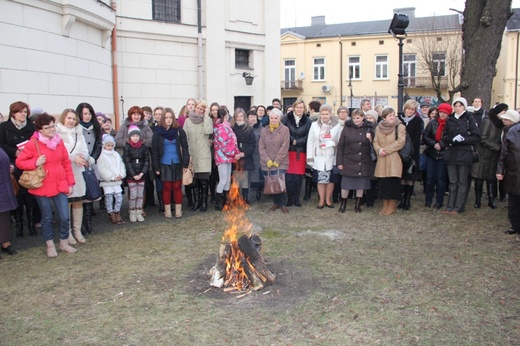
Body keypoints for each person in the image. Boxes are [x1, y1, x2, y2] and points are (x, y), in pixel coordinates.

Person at [16, 113, 77, 257]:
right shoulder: (33, 143)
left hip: (60, 184)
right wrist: (35, 163)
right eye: (47, 127)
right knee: (47, 217)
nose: (51, 129)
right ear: (40, 130)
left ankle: (63, 242)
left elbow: (66, 162)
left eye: (52, 126)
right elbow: (19, 162)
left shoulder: (59, 142)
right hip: (42, 185)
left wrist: (70, 182)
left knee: (64, 216)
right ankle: (49, 244)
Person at [0, 101, 39, 238]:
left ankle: (31, 225)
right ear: (13, 113)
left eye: (25, 112)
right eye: (20, 112)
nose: (23, 114)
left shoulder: (32, 127)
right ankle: (19, 226)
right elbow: (2, 145)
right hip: (12, 165)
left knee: (30, 196)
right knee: (17, 195)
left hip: (28, 166)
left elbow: (37, 145)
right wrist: (14, 152)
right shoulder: (4, 127)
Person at [441, 97, 481, 215]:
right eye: (456, 106)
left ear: (464, 106)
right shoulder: (450, 119)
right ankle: (449, 207)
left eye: (460, 106)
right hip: (451, 153)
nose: (458, 108)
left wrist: (464, 139)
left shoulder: (470, 118)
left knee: (462, 182)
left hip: (464, 154)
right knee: (452, 181)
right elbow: (445, 136)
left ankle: (458, 207)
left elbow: (476, 137)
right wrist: (451, 140)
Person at [55, 108, 89, 245]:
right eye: (69, 118)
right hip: (64, 170)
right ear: (64, 118)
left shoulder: (79, 133)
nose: (71, 121)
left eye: (74, 119)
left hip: (78, 170)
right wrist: (73, 157)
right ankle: (67, 232)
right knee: (67, 201)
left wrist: (82, 157)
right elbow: (57, 153)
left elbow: (85, 150)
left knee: (78, 201)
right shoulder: (57, 133)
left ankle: (77, 230)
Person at [151, 108, 189, 218]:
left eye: (170, 117)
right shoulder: (158, 133)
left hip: (177, 162)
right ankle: (167, 211)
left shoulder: (179, 131)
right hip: (164, 163)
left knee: (177, 187)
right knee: (166, 187)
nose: (168, 120)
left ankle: (178, 210)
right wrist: (156, 167)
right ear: (162, 119)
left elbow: (185, 148)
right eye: (166, 117)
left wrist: (185, 164)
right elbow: (154, 151)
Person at [336, 108, 374, 212]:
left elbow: (374, 145)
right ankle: (343, 204)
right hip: (348, 160)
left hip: (363, 160)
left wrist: (370, 139)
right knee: (346, 184)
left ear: (363, 118)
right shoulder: (347, 127)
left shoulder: (369, 128)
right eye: (353, 118)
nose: (355, 120)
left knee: (360, 184)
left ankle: (357, 205)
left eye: (358, 118)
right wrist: (339, 162)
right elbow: (340, 146)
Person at [470, 103, 507, 209]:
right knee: (479, 178)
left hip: (493, 154)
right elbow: (483, 138)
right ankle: (477, 201)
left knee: (491, 178)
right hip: (483, 153)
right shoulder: (488, 120)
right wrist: (498, 147)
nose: (504, 114)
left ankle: (491, 199)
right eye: (503, 111)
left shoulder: (500, 123)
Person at [307, 104, 342, 209]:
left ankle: (328, 199)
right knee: (321, 179)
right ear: (320, 114)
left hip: (332, 155)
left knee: (330, 179)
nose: (325, 116)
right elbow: (310, 141)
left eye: (327, 114)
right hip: (319, 156)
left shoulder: (337, 125)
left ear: (330, 114)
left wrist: (332, 143)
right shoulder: (314, 125)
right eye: (323, 114)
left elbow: (340, 140)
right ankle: (321, 200)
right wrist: (310, 158)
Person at [373, 107, 406, 216]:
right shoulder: (378, 127)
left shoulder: (400, 126)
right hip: (382, 158)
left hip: (394, 158)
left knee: (393, 182)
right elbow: (375, 141)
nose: (392, 117)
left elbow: (400, 142)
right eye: (389, 115)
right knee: (383, 183)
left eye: (393, 115)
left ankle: (392, 205)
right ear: (384, 117)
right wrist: (379, 150)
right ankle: (385, 205)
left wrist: (386, 150)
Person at [76, 102, 102, 234]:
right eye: (85, 113)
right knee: (80, 195)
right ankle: (79, 225)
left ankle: (88, 222)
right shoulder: (76, 128)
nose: (87, 116)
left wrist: (93, 158)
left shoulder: (95, 128)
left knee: (90, 193)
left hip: (91, 164)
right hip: (77, 165)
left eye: (89, 113)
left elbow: (98, 144)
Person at [184, 100, 213, 212]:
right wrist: (187, 153)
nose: (199, 110)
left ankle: (204, 203)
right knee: (195, 182)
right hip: (192, 154)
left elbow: (208, 130)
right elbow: (184, 137)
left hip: (203, 154)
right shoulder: (187, 121)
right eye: (198, 108)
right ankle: (197, 202)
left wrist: (206, 117)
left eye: (202, 109)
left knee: (204, 181)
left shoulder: (207, 120)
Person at [259, 108, 290, 213]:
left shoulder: (285, 129)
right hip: (267, 163)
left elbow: (285, 146)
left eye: (275, 118)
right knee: (271, 183)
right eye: (271, 118)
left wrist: (277, 160)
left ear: (279, 118)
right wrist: (267, 159)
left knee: (280, 182)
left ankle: (283, 204)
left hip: (280, 162)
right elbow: (261, 146)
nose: (273, 120)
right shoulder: (264, 130)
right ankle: (275, 203)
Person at [282, 100, 311, 207]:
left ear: (304, 109)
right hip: (288, 150)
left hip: (300, 151)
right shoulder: (286, 118)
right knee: (289, 177)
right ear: (294, 108)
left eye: (301, 107)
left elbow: (308, 135)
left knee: (298, 177)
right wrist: (292, 140)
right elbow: (283, 131)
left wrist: (298, 142)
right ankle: (289, 198)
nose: (299, 109)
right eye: (297, 107)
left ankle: (296, 198)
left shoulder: (308, 121)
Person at [422, 103, 452, 209]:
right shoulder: (432, 123)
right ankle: (428, 200)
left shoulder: (450, 124)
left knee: (440, 179)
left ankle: (439, 201)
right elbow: (425, 135)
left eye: (445, 113)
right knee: (429, 178)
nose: (443, 115)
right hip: (432, 153)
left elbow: (450, 137)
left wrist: (442, 145)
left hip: (443, 154)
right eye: (441, 112)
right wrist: (434, 144)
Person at [398, 99, 424, 211]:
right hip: (399, 152)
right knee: (402, 177)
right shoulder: (399, 119)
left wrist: (409, 151)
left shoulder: (418, 121)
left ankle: (408, 200)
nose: (410, 111)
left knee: (410, 176)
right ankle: (402, 199)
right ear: (405, 109)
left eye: (412, 109)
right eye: (408, 109)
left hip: (412, 153)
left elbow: (416, 138)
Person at [497, 110, 520, 234]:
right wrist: (500, 171)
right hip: (514, 172)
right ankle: (515, 226)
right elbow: (503, 154)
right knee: (514, 201)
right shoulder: (512, 132)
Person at [213, 108, 239, 210]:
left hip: (228, 157)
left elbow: (232, 142)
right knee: (223, 180)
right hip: (222, 157)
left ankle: (226, 201)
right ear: (225, 115)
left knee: (227, 179)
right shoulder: (221, 128)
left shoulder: (226, 126)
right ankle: (218, 203)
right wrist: (233, 153)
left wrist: (234, 153)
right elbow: (224, 144)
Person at [97, 134, 126, 224]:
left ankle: (117, 212)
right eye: (108, 145)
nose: (110, 147)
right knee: (109, 197)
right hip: (108, 181)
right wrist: (112, 177)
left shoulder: (116, 154)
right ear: (104, 145)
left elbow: (121, 165)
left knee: (119, 197)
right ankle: (110, 213)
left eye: (111, 146)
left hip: (117, 180)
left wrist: (121, 175)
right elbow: (102, 169)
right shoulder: (101, 156)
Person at [123, 125, 149, 222]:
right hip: (132, 175)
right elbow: (128, 162)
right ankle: (132, 212)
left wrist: (142, 173)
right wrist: (133, 174)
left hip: (141, 175)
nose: (135, 138)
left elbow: (146, 161)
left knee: (140, 194)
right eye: (133, 136)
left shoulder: (144, 147)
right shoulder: (127, 147)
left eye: (137, 136)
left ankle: (139, 211)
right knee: (133, 194)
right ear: (130, 137)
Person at [231, 108, 256, 204]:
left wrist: (244, 153)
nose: (239, 118)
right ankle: (235, 198)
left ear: (244, 117)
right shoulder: (231, 128)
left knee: (245, 177)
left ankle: (245, 198)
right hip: (235, 156)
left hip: (246, 156)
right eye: (238, 116)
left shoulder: (249, 128)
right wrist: (235, 154)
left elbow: (252, 143)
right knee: (236, 177)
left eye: (241, 116)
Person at [0, 148, 18, 256]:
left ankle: (6, 243)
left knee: (4, 217)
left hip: (4, 186)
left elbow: (6, 160)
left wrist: (11, 166)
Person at [247, 110, 264, 201]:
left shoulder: (262, 129)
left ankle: (259, 192)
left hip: (259, 154)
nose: (253, 119)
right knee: (248, 175)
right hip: (248, 155)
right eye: (251, 117)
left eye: (254, 117)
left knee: (258, 174)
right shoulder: (245, 128)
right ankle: (248, 194)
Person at [208, 102, 220, 204]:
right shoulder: (208, 121)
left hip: (220, 152)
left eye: (216, 110)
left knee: (219, 175)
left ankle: (219, 194)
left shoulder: (222, 121)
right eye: (213, 110)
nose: (215, 112)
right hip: (211, 151)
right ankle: (212, 194)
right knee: (212, 175)